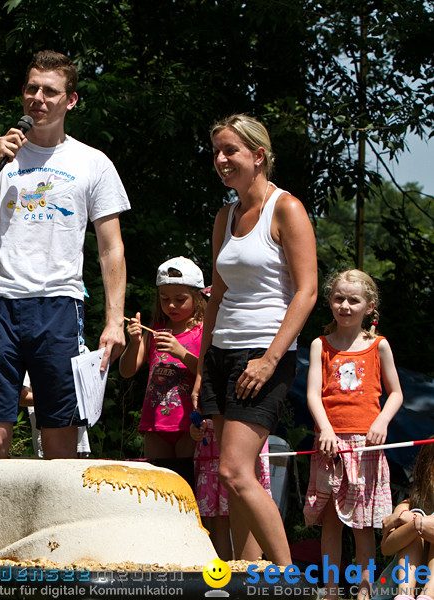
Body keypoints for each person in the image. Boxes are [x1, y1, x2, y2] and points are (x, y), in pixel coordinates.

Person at [0, 50, 130, 459]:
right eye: (31, 88)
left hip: (58, 306)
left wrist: (114, 321)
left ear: (70, 100)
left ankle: (57, 524)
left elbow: (111, 248)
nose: (37, 98)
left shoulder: (93, 162)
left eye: (50, 91)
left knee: (60, 440)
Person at [191, 113, 318, 565]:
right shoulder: (225, 216)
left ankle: (290, 579)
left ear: (258, 155)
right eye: (216, 153)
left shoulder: (286, 208)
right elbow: (217, 294)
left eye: (231, 151)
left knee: (235, 470)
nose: (221, 160)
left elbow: (307, 291)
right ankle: (249, 574)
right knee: (232, 480)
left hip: (263, 354)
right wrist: (203, 365)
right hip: (223, 352)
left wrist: (269, 358)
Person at [303, 269, 403, 600]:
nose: (345, 305)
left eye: (353, 300)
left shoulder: (379, 345)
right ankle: (331, 589)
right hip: (330, 444)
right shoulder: (320, 344)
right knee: (330, 520)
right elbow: (314, 394)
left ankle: (364, 589)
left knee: (363, 524)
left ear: (369, 307)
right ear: (330, 302)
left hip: (366, 446)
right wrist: (326, 428)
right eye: (338, 298)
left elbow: (396, 393)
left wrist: (382, 421)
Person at [119, 256, 205, 461]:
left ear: (197, 297)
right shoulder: (155, 329)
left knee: (185, 481)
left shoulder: (204, 330)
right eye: (165, 299)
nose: (171, 305)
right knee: (158, 486)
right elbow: (126, 371)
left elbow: (208, 372)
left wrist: (180, 352)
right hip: (155, 422)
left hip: (189, 423)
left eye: (180, 299)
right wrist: (135, 341)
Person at [191, 415, 272, 560]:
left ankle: (253, 572)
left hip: (246, 430)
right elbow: (200, 407)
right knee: (217, 517)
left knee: (249, 510)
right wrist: (197, 424)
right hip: (211, 439)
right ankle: (222, 576)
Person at [382, 438, 434, 600]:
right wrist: (413, 523)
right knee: (414, 522)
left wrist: (419, 523)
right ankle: (405, 596)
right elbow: (386, 548)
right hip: (397, 586)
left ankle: (428, 596)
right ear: (426, 468)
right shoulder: (410, 505)